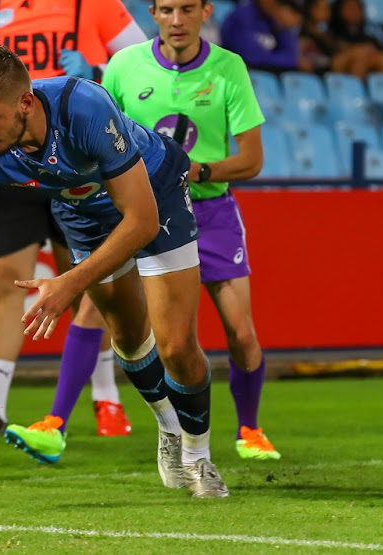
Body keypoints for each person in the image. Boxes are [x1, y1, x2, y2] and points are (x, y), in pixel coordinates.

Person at [0, 43, 229, 498]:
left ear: (26, 101)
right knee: (128, 337)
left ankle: (197, 454)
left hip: (153, 192)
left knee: (176, 344)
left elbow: (141, 221)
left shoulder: (82, 106)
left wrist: (70, 280)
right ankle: (168, 429)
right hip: (83, 212)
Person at [0, 0, 148, 440]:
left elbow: (137, 62)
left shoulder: (94, 4)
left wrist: (97, 67)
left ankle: (106, 397)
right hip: (5, 156)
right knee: (4, 281)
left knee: (89, 283)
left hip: (73, 151)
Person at [100, 0, 279, 461]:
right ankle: (63, 421)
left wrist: (194, 172)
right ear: (153, 14)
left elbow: (253, 159)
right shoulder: (123, 66)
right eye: (166, 10)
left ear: (205, 11)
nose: (176, 21)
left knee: (240, 333)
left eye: (186, 9)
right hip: (149, 214)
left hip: (212, 212)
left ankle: (250, 429)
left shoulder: (227, 68)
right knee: (140, 329)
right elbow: (101, 138)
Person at [220, 0, 302, 74]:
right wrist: (277, 59)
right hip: (238, 73)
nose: (275, 3)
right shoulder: (241, 17)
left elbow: (291, 58)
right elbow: (250, 57)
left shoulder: (273, 19)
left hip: (268, 74)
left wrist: (284, 28)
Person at [327, 0, 383, 79]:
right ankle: (355, 89)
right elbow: (332, 57)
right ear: (339, 10)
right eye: (350, 8)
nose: (354, 11)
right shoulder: (330, 35)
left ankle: (379, 89)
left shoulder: (368, 38)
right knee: (360, 56)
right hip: (335, 72)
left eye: (357, 8)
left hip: (366, 71)